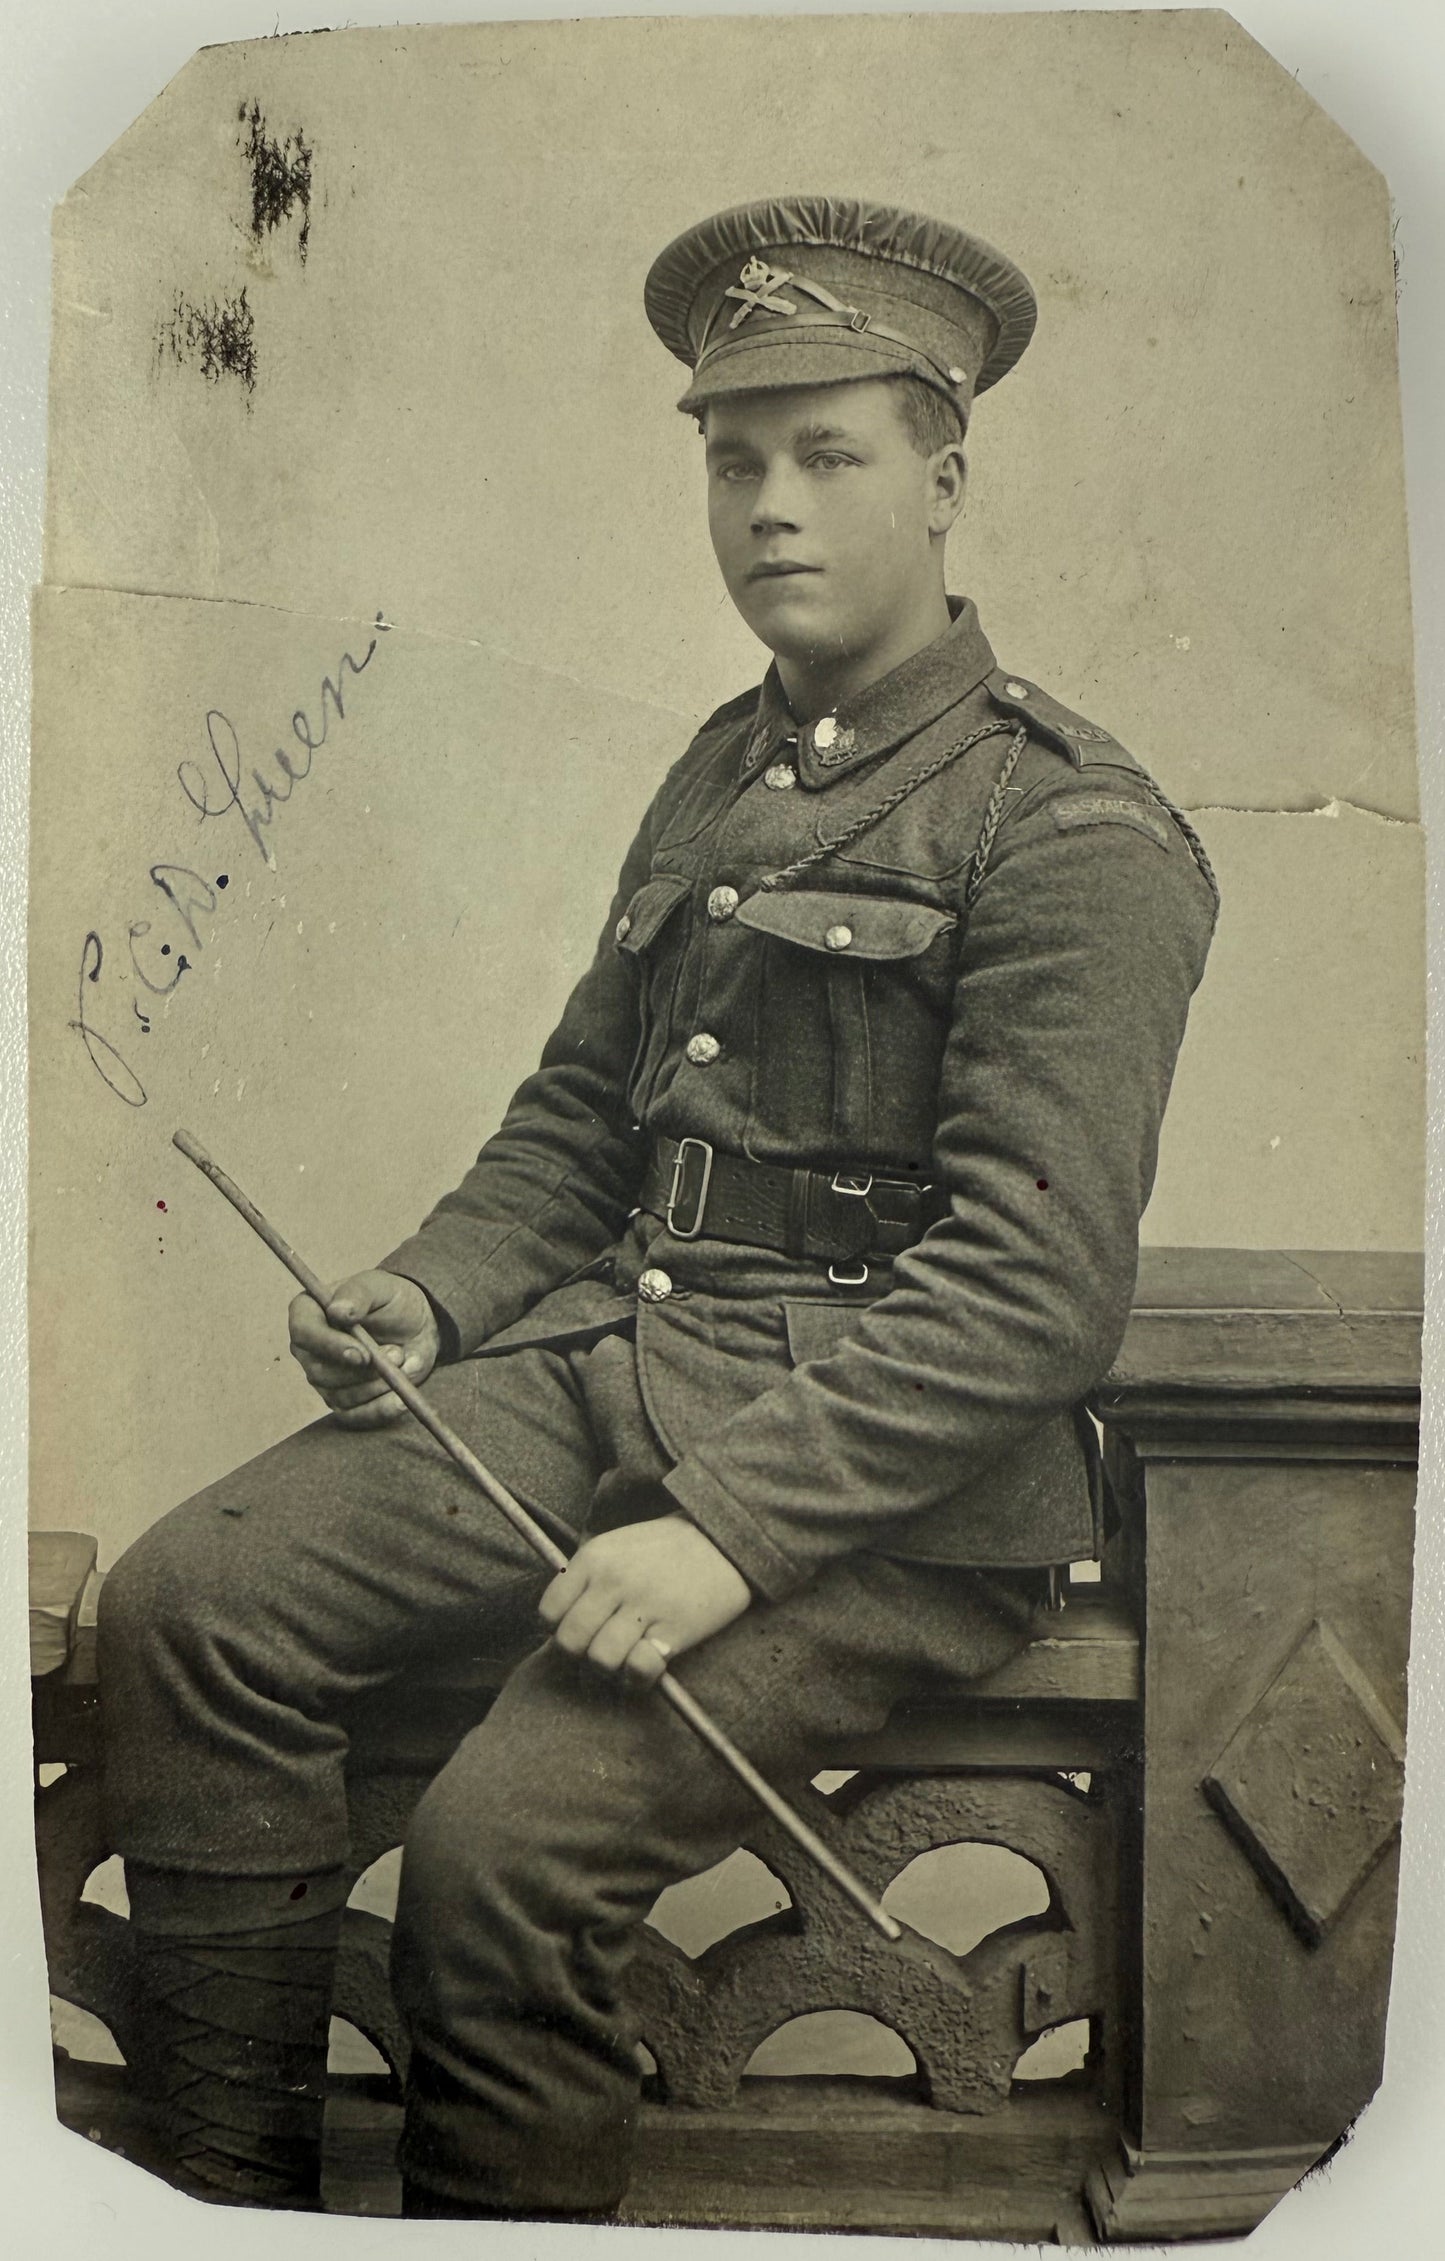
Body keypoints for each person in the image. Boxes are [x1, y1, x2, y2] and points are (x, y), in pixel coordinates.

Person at [96, 196, 1219, 2218]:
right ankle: (209, 2212)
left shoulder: (1069, 824)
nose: (770, 506)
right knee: (198, 1606)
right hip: (630, 1363)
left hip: (893, 1489)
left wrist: (727, 1529)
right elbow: (575, 1129)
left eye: (829, 454)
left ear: (946, 482)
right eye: (732, 459)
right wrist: (432, 1301)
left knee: (499, 1860)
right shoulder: (728, 776)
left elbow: (1034, 1292)